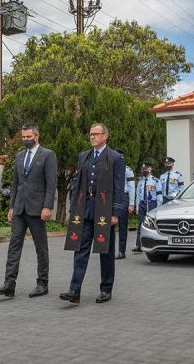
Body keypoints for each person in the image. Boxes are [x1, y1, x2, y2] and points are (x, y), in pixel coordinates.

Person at [61, 123, 125, 304]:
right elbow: (77, 182)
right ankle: (74, 290)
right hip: (85, 209)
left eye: (96, 134)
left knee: (105, 251)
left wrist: (115, 213)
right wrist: (74, 205)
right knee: (80, 249)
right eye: (90, 134)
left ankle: (106, 289)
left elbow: (119, 187)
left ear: (105, 136)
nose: (92, 137)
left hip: (104, 212)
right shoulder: (84, 156)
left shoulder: (115, 158)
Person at [0, 123, 58, 298]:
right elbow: (16, 184)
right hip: (20, 209)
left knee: (40, 247)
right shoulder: (19, 156)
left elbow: (51, 184)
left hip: (37, 209)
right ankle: (9, 284)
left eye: (28, 137)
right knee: (14, 245)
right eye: (23, 137)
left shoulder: (48, 155)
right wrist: (12, 207)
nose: (25, 140)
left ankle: (42, 283)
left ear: (36, 136)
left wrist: (47, 206)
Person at [133, 161, 163, 253]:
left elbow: (159, 195)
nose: (144, 171)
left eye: (145, 169)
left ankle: (153, 244)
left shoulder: (156, 181)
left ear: (150, 169)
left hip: (152, 204)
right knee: (140, 225)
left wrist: (159, 207)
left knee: (152, 225)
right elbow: (138, 195)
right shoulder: (141, 181)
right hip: (142, 204)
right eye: (143, 169)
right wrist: (137, 207)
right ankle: (138, 245)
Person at [114, 149, 135, 260]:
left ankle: (122, 251)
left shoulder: (127, 170)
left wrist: (131, 204)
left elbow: (131, 188)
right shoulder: (111, 168)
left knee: (122, 225)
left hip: (123, 197)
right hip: (113, 197)